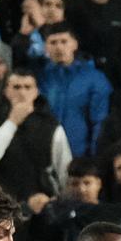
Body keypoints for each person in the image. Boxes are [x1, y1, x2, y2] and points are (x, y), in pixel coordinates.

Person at [0, 67, 72, 216]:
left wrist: (62, 203)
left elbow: (64, 170)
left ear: (36, 91)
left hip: (42, 207)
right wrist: (12, 121)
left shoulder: (51, 126)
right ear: (6, 90)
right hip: (1, 207)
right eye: (16, 87)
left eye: (28, 87)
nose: (22, 92)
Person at [38, 22, 112, 158]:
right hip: (44, 155)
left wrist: (93, 158)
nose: (59, 47)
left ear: (74, 44)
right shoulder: (40, 78)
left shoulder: (95, 78)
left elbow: (100, 123)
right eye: (53, 42)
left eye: (64, 41)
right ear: (45, 47)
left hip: (80, 156)